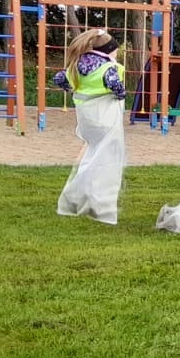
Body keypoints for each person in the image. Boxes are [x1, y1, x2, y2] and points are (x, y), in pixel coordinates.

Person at [53, 28, 127, 225]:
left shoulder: (76, 66)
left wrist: (73, 89)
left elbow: (59, 78)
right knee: (107, 162)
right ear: (108, 51)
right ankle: (100, 205)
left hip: (86, 121)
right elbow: (117, 87)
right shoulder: (108, 68)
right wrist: (120, 94)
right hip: (105, 119)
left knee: (91, 155)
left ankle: (76, 196)